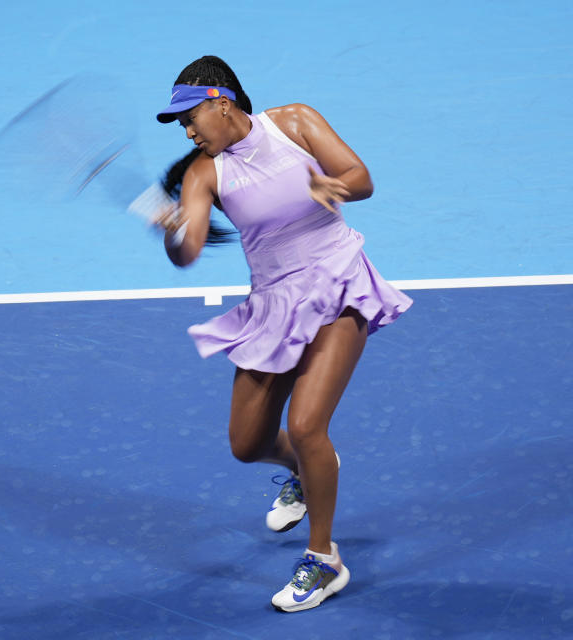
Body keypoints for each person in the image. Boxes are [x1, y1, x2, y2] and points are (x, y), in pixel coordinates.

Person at [152, 55, 412, 612]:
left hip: (338, 281)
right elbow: (189, 252)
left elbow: (361, 178)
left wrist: (333, 188)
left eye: (192, 116)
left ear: (223, 101)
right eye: (181, 124)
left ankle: (324, 561)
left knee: (308, 424)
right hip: (273, 304)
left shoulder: (294, 122)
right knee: (246, 445)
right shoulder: (203, 173)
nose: (189, 130)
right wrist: (174, 232)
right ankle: (301, 470)